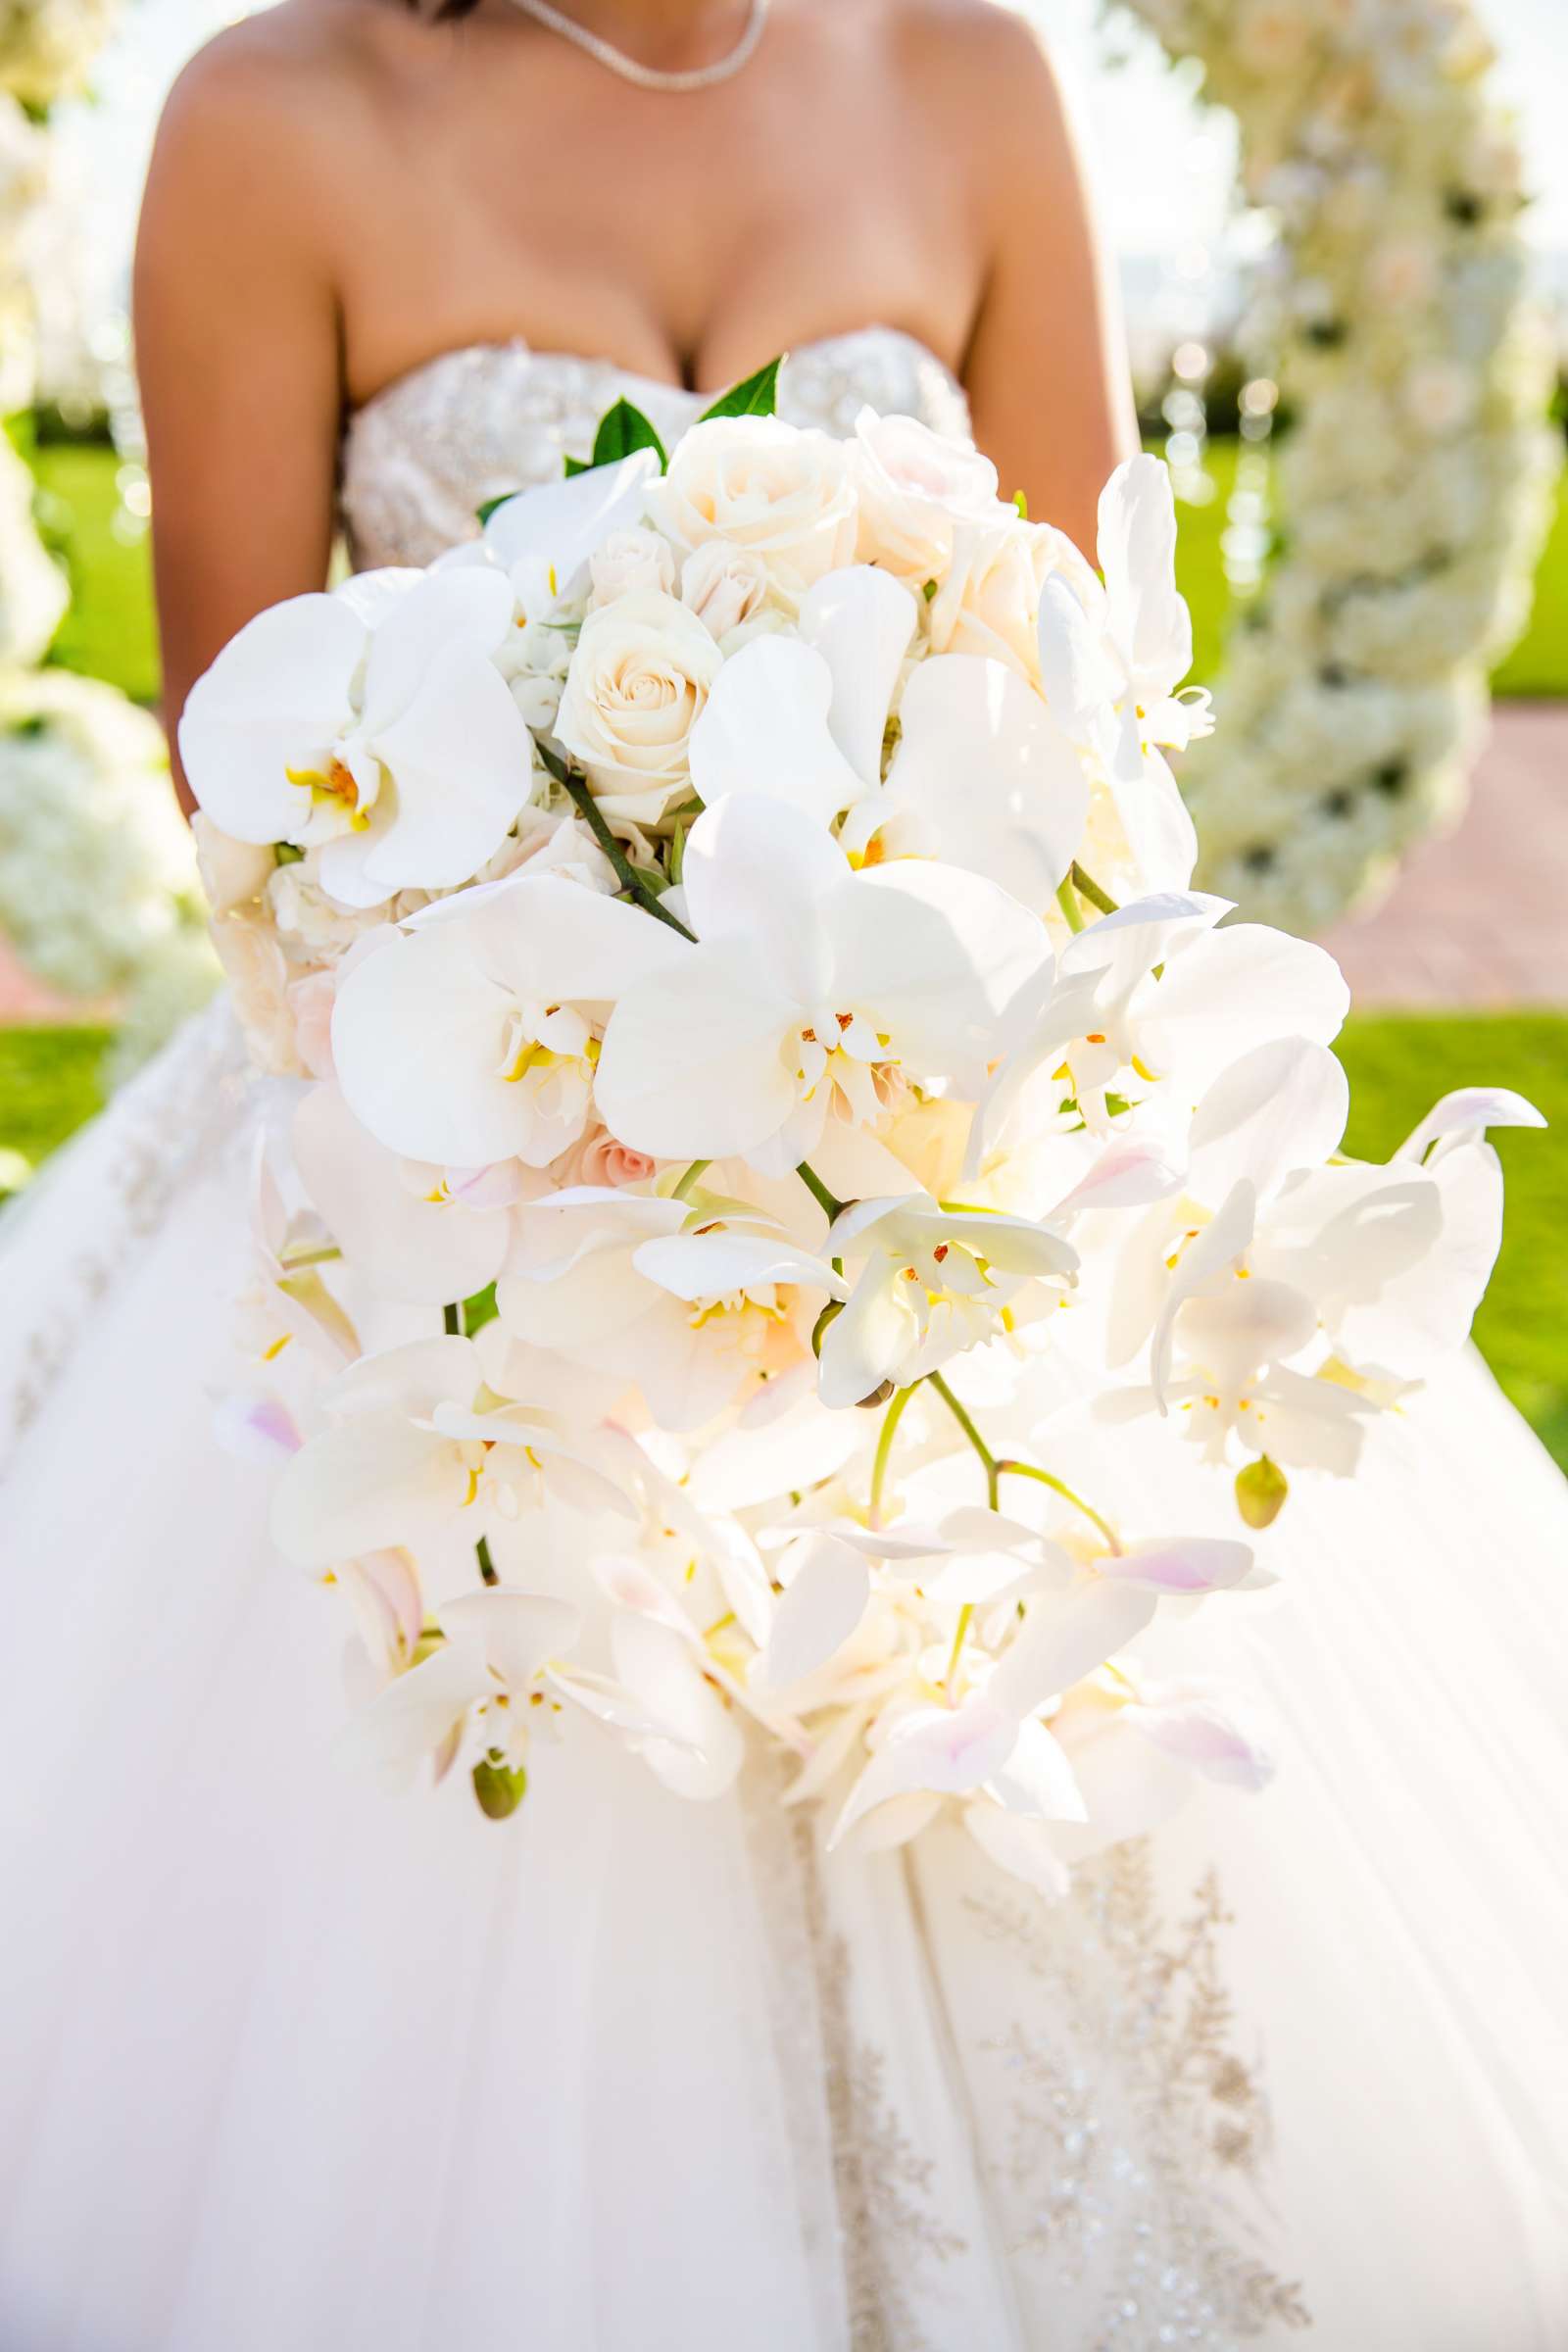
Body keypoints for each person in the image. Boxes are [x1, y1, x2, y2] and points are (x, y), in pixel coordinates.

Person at [0, 4, 1563, 2346]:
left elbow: (1082, 691)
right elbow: (260, 779)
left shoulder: (967, 80)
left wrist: (906, 1044)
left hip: (936, 1159)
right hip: (467, 1165)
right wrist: (598, 1070)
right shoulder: (275, 116)